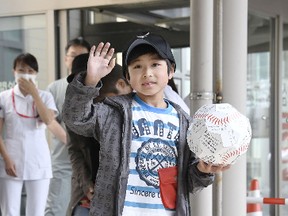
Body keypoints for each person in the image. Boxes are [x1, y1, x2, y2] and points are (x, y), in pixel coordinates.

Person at [62, 32, 230, 216]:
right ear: (127, 76)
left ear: (171, 71)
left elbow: (189, 183)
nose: (147, 73)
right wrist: (91, 80)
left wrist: (203, 170)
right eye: (137, 66)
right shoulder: (114, 112)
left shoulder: (184, 122)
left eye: (155, 64)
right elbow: (76, 119)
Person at [65, 53, 132, 216]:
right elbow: (75, 151)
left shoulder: (137, 108)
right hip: (86, 200)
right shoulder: (77, 109)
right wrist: (87, 185)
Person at [0, 53, 58, 216]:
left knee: (36, 211)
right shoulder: (3, 98)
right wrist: (6, 158)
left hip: (38, 160)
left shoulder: (45, 97)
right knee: (9, 211)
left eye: (30, 70)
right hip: (10, 160)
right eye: (21, 69)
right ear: (14, 71)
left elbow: (47, 120)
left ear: (36, 73)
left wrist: (35, 94)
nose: (26, 73)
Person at [45, 37, 91, 216]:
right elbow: (50, 120)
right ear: (65, 59)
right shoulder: (54, 87)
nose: (76, 59)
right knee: (56, 206)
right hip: (63, 160)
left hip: (87, 163)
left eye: (82, 56)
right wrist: (70, 141)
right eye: (72, 56)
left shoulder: (96, 86)